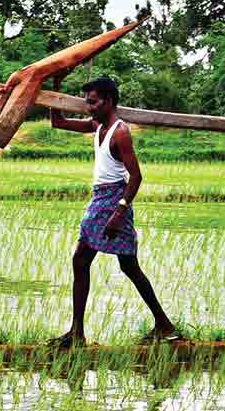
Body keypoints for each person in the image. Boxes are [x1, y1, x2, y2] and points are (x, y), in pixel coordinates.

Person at [47, 75, 178, 347]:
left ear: (108, 101)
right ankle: (80, 332)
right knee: (104, 262)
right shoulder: (97, 126)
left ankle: (80, 333)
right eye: (87, 102)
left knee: (107, 262)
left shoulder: (120, 132)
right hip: (100, 198)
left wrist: (118, 213)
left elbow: (136, 177)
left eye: (93, 102)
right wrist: (53, 91)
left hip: (113, 199)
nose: (89, 107)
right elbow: (57, 122)